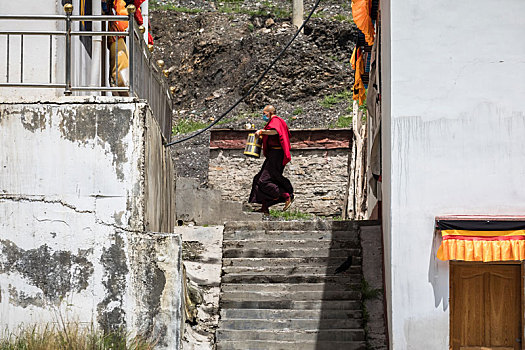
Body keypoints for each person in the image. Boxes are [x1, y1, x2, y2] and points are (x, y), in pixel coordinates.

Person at [249, 105, 294, 215]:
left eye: (264, 113)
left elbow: (275, 132)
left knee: (264, 181)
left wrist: (262, 132)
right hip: (273, 154)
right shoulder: (272, 122)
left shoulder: (276, 120)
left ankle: (285, 195)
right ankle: (265, 207)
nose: (263, 116)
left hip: (277, 154)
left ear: (269, 113)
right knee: (257, 179)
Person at [102, 0, 130, 96]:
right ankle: (123, 90)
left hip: (116, 33)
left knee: (120, 65)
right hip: (116, 33)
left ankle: (122, 90)